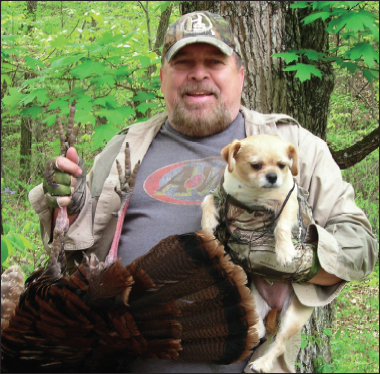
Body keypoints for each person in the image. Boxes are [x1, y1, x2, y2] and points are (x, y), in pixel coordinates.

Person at [30, 11, 377, 373]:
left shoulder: (294, 148)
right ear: (163, 77)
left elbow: (361, 246)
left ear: (240, 76)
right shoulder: (123, 150)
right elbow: (75, 262)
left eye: (214, 61)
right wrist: (72, 203)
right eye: (183, 62)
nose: (199, 73)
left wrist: (294, 259)